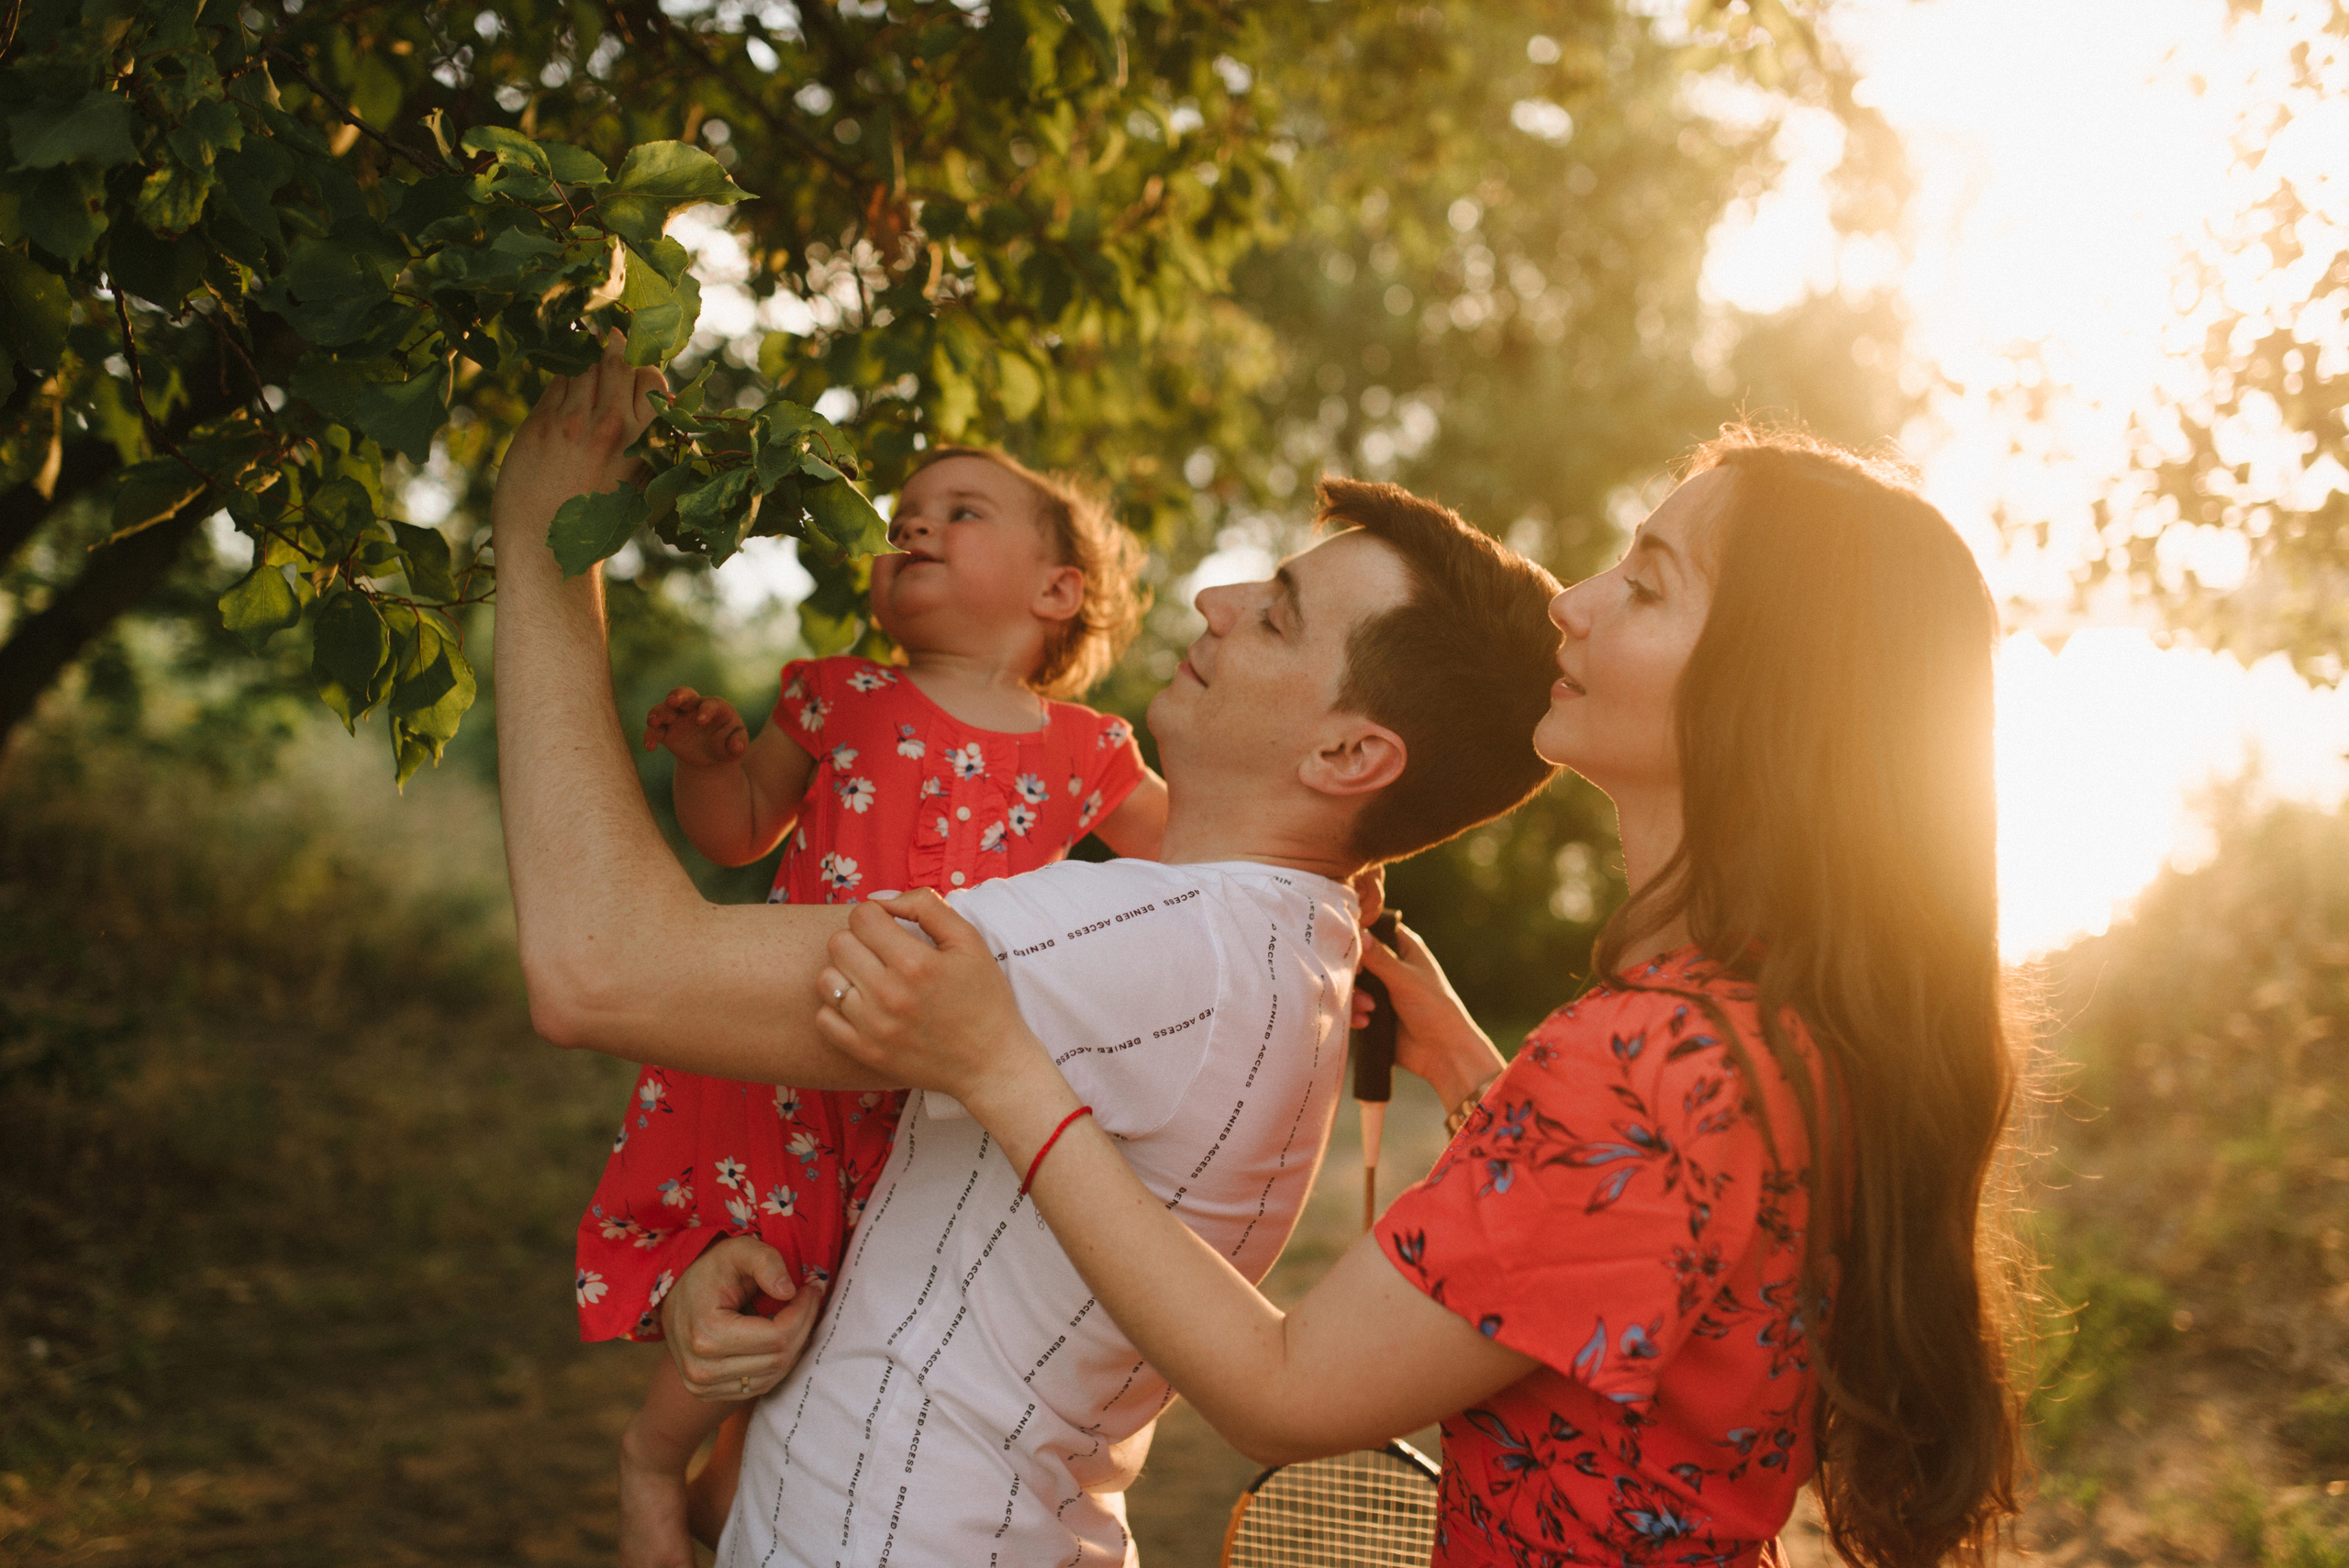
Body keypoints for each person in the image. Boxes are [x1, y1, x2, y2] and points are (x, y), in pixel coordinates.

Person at [816, 428, 2027, 1568]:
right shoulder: (1777, 1030)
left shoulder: (1642, 1059)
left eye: (1647, 588)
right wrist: (1481, 1077)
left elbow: (1283, 1387)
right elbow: (1660, 1241)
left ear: (1767, 702)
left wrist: (1006, 1074)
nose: (1577, 600)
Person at [487, 333, 1567, 1565]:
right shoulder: (1277, 946)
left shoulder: (1141, 943)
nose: (1214, 602)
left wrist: (542, 540)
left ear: (1347, 759)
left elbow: (601, 965)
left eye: (1274, 616)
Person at [577, 444, 1169, 1566]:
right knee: (763, 1273)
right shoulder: (838, 693)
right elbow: (739, 832)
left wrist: (1334, 873)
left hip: (933, 1101)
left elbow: (1206, 861)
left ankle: (720, 1505)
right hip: (795, 1060)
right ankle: (653, 1460)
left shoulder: (1089, 754)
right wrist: (712, 767)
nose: (914, 526)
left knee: (837, 1327)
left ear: (1057, 590)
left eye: (960, 510)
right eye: (902, 515)